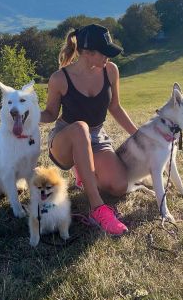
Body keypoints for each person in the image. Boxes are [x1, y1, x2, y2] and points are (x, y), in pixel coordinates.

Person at [40, 24, 138, 235]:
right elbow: (50, 114)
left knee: (119, 186)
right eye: (104, 53)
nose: (108, 58)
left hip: (96, 137)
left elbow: (115, 107)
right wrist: (27, 115)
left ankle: (85, 172)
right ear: (86, 52)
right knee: (80, 128)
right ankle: (97, 209)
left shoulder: (110, 71)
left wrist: (139, 135)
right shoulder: (60, 79)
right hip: (65, 139)